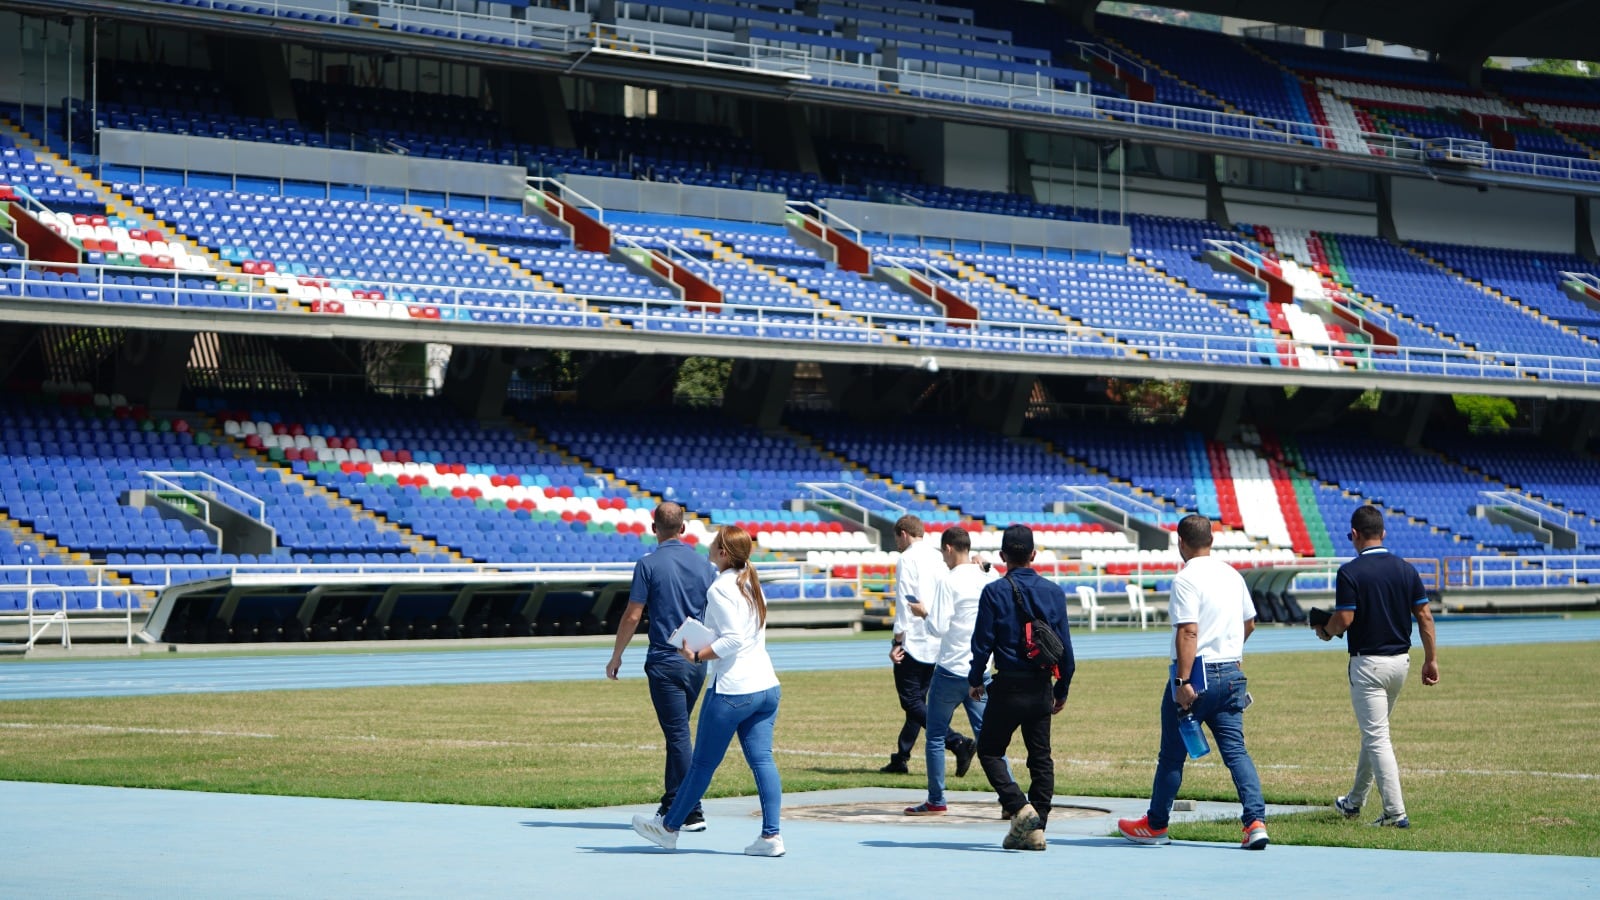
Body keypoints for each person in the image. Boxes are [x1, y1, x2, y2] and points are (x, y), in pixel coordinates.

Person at [1117, 514, 1270, 850]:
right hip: (1231, 671)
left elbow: (1188, 631)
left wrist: (1182, 680)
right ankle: (1255, 821)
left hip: (1197, 674)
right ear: (1212, 541)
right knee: (1236, 751)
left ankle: (1156, 824)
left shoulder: (1185, 579)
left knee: (1172, 755)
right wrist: (1231, 652)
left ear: (1180, 542)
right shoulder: (1232, 575)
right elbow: (1251, 623)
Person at [633, 525, 785, 857]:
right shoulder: (750, 582)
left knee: (702, 764)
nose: (708, 546)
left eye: (714, 543)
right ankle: (771, 836)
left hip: (734, 689)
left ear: (723, 553)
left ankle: (669, 828)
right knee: (762, 760)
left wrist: (697, 654)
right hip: (766, 685)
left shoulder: (720, 588)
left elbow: (733, 640)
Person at [1315, 505, 1440, 829]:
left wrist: (1326, 630)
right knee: (1375, 734)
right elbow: (1425, 616)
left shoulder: (1350, 572)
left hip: (1368, 664)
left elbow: (1344, 618)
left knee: (1377, 738)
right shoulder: (1406, 569)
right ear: (1383, 533)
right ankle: (1353, 802)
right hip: (1401, 662)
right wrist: (1431, 659)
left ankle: (1395, 812)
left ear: (1354, 535)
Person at [606, 502, 715, 832]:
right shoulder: (704, 564)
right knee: (676, 734)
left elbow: (633, 614)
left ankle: (691, 810)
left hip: (665, 660)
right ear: (683, 529)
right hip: (695, 660)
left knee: (679, 735)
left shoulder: (648, 563)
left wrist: (616, 655)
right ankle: (671, 802)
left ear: (654, 528)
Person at [968, 524, 1075, 851]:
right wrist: (1062, 687)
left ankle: (1018, 806)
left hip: (1008, 685)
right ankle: (1038, 825)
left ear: (1002, 557)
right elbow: (1066, 649)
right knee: (1040, 757)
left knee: (989, 750)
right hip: (1041, 685)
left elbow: (982, 643)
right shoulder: (1054, 592)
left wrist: (975, 679)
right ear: (1033, 554)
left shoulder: (994, 591)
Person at [903, 526, 1000, 816]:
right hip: (980, 669)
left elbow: (938, 628)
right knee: (988, 738)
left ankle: (936, 799)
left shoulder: (949, 581)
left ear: (948, 549)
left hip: (950, 669)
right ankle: (1009, 796)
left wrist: (923, 613)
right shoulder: (988, 576)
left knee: (934, 735)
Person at [883, 515, 977, 776]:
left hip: (914, 639)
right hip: (937, 638)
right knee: (919, 701)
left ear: (903, 534)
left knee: (911, 702)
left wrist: (897, 640)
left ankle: (956, 741)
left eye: (896, 539)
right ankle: (901, 756)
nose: (897, 544)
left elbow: (904, 602)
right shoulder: (939, 556)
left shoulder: (907, 558)